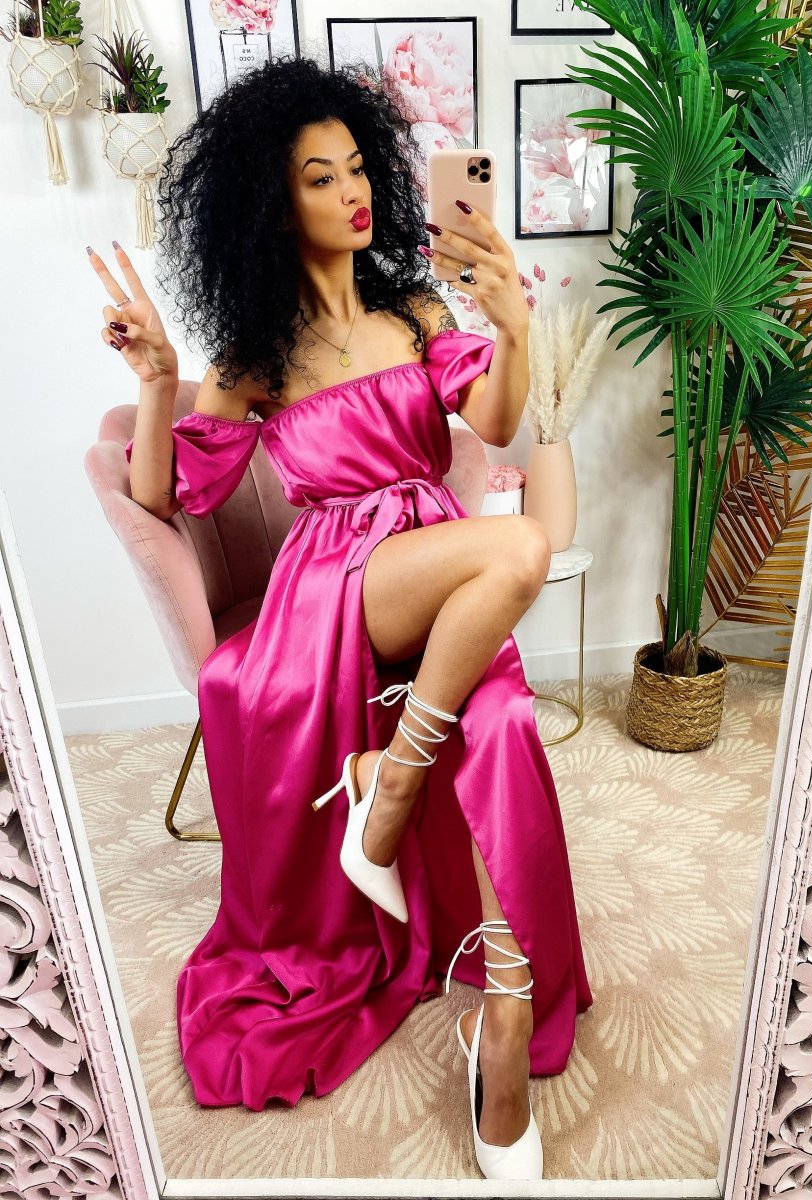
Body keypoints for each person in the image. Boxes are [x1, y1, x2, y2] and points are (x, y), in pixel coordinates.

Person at [88, 53, 592, 1180]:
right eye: (322, 178)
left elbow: (495, 424)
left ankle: (505, 1004)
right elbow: (171, 496)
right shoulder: (256, 356)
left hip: (438, 572)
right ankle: (392, 788)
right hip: (336, 588)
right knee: (520, 544)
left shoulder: (414, 308)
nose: (355, 191)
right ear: (275, 206)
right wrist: (161, 381)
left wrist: (512, 326)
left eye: (360, 167)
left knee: (502, 722)